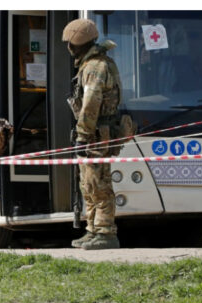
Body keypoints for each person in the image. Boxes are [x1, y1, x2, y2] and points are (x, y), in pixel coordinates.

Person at [63, 19, 121, 250]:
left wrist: (82, 135)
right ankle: (93, 230)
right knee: (88, 184)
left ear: (77, 42)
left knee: (99, 184)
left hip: (97, 134)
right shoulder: (90, 64)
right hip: (94, 133)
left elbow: (91, 104)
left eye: (70, 42)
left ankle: (106, 233)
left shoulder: (96, 67)